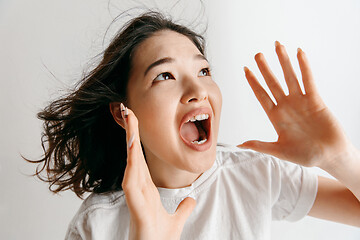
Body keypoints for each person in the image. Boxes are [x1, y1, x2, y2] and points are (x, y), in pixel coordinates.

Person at [29, 11, 360, 239]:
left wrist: (338, 159)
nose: (198, 90)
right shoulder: (97, 224)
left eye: (203, 72)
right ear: (122, 112)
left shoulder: (256, 173)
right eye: (165, 76)